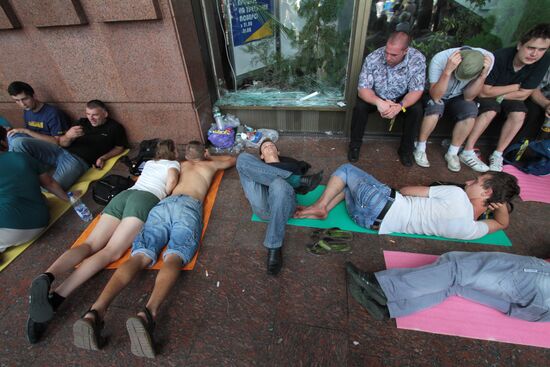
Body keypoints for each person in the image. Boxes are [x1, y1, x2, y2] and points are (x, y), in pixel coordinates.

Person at [71, 142, 235, 358]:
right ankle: (147, 313)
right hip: (188, 207)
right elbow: (232, 160)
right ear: (203, 154)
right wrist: (209, 156)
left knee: (139, 255)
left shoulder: (180, 165)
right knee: (175, 255)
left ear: (186, 155)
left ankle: (95, 312)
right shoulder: (210, 165)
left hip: (163, 206)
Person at [26, 140, 180, 344]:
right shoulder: (174, 164)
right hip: (145, 199)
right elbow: (170, 186)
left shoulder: (150, 163)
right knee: (110, 252)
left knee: (89, 245)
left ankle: (48, 276)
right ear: (174, 152)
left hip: (123, 196)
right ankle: (58, 296)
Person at [295, 163, 519, 241]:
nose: (469, 181)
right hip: (369, 222)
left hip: (383, 203)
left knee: (345, 170)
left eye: (477, 181)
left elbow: (405, 190)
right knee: (346, 186)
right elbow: (501, 225)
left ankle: (321, 205)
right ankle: (326, 209)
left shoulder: (457, 194)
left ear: (487, 192)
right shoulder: (471, 230)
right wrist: (502, 209)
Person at [345, 251, 550, 322]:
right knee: (456, 286)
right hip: (541, 312)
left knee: (456, 270)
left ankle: (383, 288)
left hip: (541, 279)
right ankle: (387, 308)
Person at [460, 23, 550, 172]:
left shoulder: (543, 60)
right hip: (488, 97)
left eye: (541, 50)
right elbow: (483, 92)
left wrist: (499, 92)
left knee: (519, 113)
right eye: (530, 48)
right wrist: (516, 86)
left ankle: (498, 154)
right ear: (520, 45)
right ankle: (467, 150)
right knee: (491, 109)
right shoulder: (500, 57)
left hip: (510, 97)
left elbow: (526, 93)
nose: (534, 54)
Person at [237, 139, 323, 275]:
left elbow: (298, 169)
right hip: (263, 207)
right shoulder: (255, 166)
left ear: (278, 152)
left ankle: (274, 246)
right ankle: (296, 181)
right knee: (242, 158)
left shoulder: (291, 165)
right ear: (261, 156)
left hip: (284, 206)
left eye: (272, 145)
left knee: (278, 184)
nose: (269, 147)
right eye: (265, 147)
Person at [12, 99, 128, 190]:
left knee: (52, 188)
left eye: (95, 115)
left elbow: (119, 148)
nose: (91, 118)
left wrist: (103, 157)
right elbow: (61, 143)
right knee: (19, 142)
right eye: (88, 114)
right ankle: (21, 174)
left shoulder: (115, 128)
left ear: (105, 114)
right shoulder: (82, 122)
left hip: (77, 160)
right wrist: (68, 136)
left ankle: (29, 185)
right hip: (59, 150)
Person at [348, 31, 425, 166]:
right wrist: (379, 102)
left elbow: (416, 90)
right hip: (377, 96)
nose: (388, 57)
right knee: (360, 107)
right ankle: (354, 145)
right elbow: (363, 89)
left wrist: (400, 106)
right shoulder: (373, 57)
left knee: (416, 110)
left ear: (405, 51)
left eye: (393, 54)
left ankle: (406, 150)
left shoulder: (417, 59)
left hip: (402, 98)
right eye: (386, 52)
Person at [413, 47, 494, 171]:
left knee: (471, 110)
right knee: (435, 106)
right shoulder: (439, 59)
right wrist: (447, 71)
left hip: (459, 95)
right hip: (437, 92)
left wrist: (482, 76)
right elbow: (436, 96)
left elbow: (469, 97)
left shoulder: (488, 60)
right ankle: (420, 147)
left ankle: (452, 152)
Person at [0, 129, 69, 257]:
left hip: (8, 226)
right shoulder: (22, 157)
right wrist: (69, 199)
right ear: (3, 141)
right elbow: (49, 183)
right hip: (40, 221)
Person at [6, 81, 69, 148]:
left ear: (34, 96)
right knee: (12, 136)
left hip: (52, 149)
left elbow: (57, 142)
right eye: (17, 100)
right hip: (35, 146)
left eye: (25, 99)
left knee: (18, 142)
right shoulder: (27, 110)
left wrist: (26, 131)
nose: (22, 104)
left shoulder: (53, 113)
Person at [515, 66, 549, 142]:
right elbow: (532, 88)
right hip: (536, 98)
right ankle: (515, 150)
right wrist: (546, 104)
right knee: (533, 113)